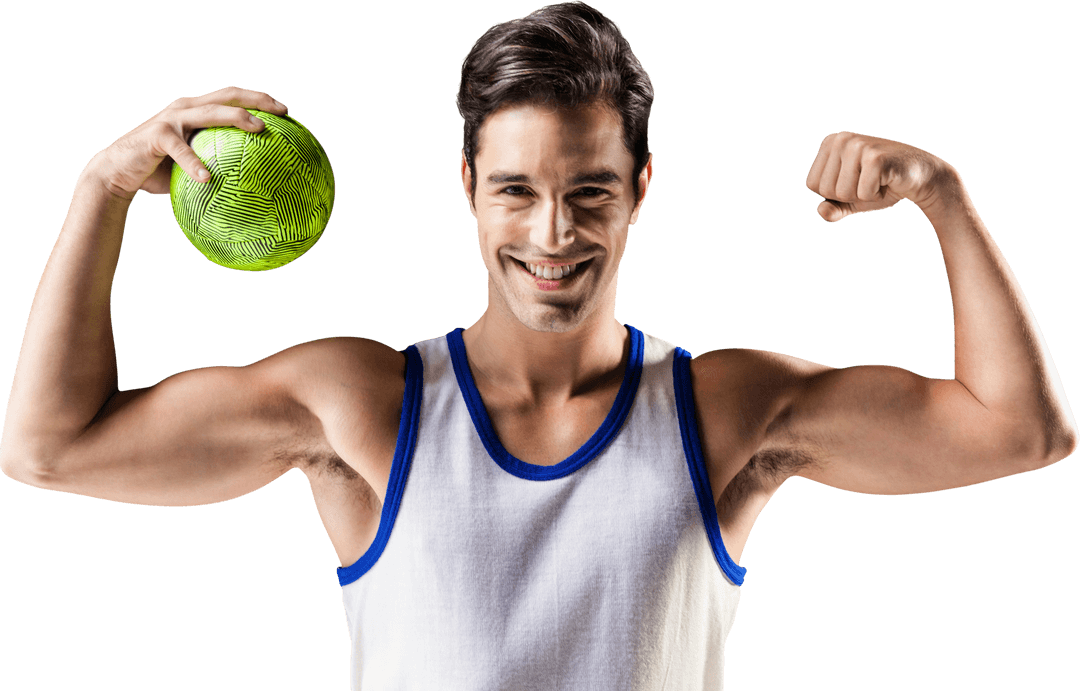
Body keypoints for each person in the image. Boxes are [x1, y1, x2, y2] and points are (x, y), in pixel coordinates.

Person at [0, 1, 1075, 688]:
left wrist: (944, 197)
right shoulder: (362, 405)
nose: (552, 234)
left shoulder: (722, 412)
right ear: (468, 187)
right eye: (515, 190)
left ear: (641, 191)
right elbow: (47, 448)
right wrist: (101, 191)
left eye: (590, 192)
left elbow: (1024, 431)